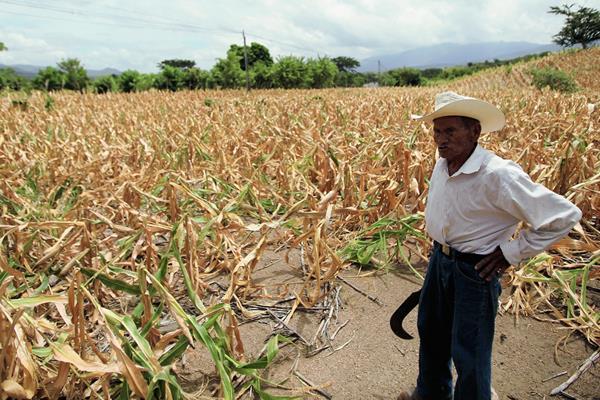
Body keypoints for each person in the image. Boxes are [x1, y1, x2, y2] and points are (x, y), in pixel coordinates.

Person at [398, 92, 582, 400]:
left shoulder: (498, 175)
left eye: (451, 131)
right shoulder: (443, 165)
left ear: (475, 132)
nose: (441, 140)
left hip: (475, 271)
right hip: (439, 262)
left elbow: (564, 216)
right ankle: (431, 393)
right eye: (437, 132)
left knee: (469, 349)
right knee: (431, 333)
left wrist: (510, 253)